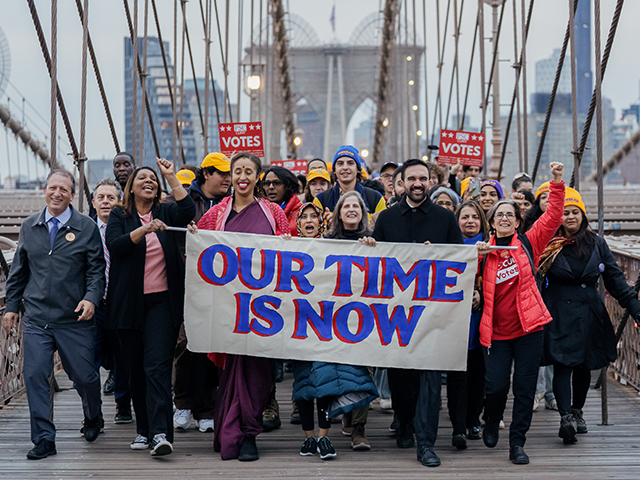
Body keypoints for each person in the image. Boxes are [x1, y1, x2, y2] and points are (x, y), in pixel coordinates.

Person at [3, 169, 106, 459]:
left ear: (73, 195)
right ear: (44, 190)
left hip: (74, 319)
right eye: (52, 188)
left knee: (85, 377)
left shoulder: (86, 227)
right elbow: (18, 272)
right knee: (35, 375)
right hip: (36, 318)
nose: (57, 193)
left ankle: (93, 416)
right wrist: (11, 307)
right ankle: (44, 439)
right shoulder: (29, 226)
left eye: (64, 189)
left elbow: (97, 271)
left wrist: (91, 299)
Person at [197, 152, 290, 462]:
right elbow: (198, 256)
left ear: (257, 176)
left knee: (259, 372)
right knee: (230, 372)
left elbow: (290, 253)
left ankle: (248, 433)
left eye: (249, 171)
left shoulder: (274, 212)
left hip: (264, 309)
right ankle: (233, 432)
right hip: (229, 308)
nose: (243, 177)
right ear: (231, 176)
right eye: (238, 171)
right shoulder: (215, 214)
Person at [372, 159, 464, 467]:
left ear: (431, 182)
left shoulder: (445, 219)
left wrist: (437, 256)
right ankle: (404, 420)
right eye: (411, 178)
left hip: (433, 314)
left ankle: (426, 443)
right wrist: (368, 247)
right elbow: (376, 269)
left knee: (429, 380)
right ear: (400, 183)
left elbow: (458, 261)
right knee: (400, 377)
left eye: (423, 178)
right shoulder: (385, 219)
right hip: (397, 315)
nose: (417, 183)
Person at [475, 161, 565, 465]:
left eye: (509, 215)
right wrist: (474, 259)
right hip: (496, 332)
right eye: (498, 215)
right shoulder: (481, 252)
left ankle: (517, 442)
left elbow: (553, 217)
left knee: (525, 388)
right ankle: (491, 418)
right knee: (496, 384)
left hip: (529, 328)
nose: (503, 218)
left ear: (517, 222)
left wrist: (556, 182)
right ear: (492, 222)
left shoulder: (528, 243)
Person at [106, 158, 196, 456]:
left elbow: (187, 211)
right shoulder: (120, 214)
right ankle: (143, 431)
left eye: (153, 179)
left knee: (156, 368)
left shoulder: (164, 210)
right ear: (131, 187)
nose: (149, 181)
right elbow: (116, 245)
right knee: (135, 371)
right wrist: (144, 231)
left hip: (161, 303)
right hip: (128, 305)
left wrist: (171, 177)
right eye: (143, 178)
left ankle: (160, 433)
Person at [539, 188, 640, 444]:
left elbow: (615, 278)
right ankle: (565, 418)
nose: (570, 216)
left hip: (589, 312)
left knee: (583, 365)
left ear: (583, 216)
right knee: (562, 364)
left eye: (575, 212)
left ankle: (577, 410)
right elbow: (534, 279)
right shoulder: (548, 243)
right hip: (559, 311)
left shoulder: (596, 243)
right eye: (564, 213)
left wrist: (634, 306)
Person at [290, 202, 378, 459]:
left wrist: (368, 247)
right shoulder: (288, 248)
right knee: (304, 384)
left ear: (321, 222)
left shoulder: (333, 247)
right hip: (300, 326)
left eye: (313, 217)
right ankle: (308, 438)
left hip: (327, 327)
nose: (308, 220)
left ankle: (324, 437)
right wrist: (283, 244)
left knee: (325, 383)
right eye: (303, 217)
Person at [169, 152, 231, 434]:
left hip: (226, 286)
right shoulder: (183, 201)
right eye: (222, 174)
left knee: (213, 346)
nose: (228, 179)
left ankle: (207, 408)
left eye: (230, 174)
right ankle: (182, 403)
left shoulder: (233, 204)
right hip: (190, 283)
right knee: (186, 343)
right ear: (206, 174)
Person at [323, 191, 380, 451]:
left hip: (364, 315)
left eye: (356, 205)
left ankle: (359, 428)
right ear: (339, 212)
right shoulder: (324, 242)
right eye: (346, 205)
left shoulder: (374, 242)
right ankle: (346, 410)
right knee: (340, 367)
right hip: (332, 315)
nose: (351, 209)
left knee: (362, 369)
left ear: (363, 212)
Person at [446, 201, 489, 447]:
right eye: (464, 217)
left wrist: (480, 293)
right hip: (454, 322)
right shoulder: (449, 246)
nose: (470, 221)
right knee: (456, 378)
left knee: (478, 376)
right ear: (457, 220)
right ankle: (458, 427)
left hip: (481, 320)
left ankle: (474, 418)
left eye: (475, 217)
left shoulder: (491, 246)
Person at [91, 179, 132, 425]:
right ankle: (93, 412)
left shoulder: (128, 228)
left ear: (119, 202)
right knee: (88, 360)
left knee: (122, 358)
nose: (106, 202)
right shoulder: (83, 230)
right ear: (93, 202)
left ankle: (122, 405)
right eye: (101, 198)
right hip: (92, 306)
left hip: (120, 303)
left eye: (111, 197)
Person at [314, 145, 386, 217]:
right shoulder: (321, 200)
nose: (345, 167)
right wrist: (329, 226)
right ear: (334, 170)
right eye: (340, 163)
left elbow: (382, 227)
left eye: (350, 163)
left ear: (358, 169)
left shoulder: (375, 199)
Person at [262, 165, 303, 236]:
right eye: (267, 184)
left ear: (289, 186)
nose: (271, 187)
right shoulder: (259, 211)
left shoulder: (302, 213)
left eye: (277, 183)